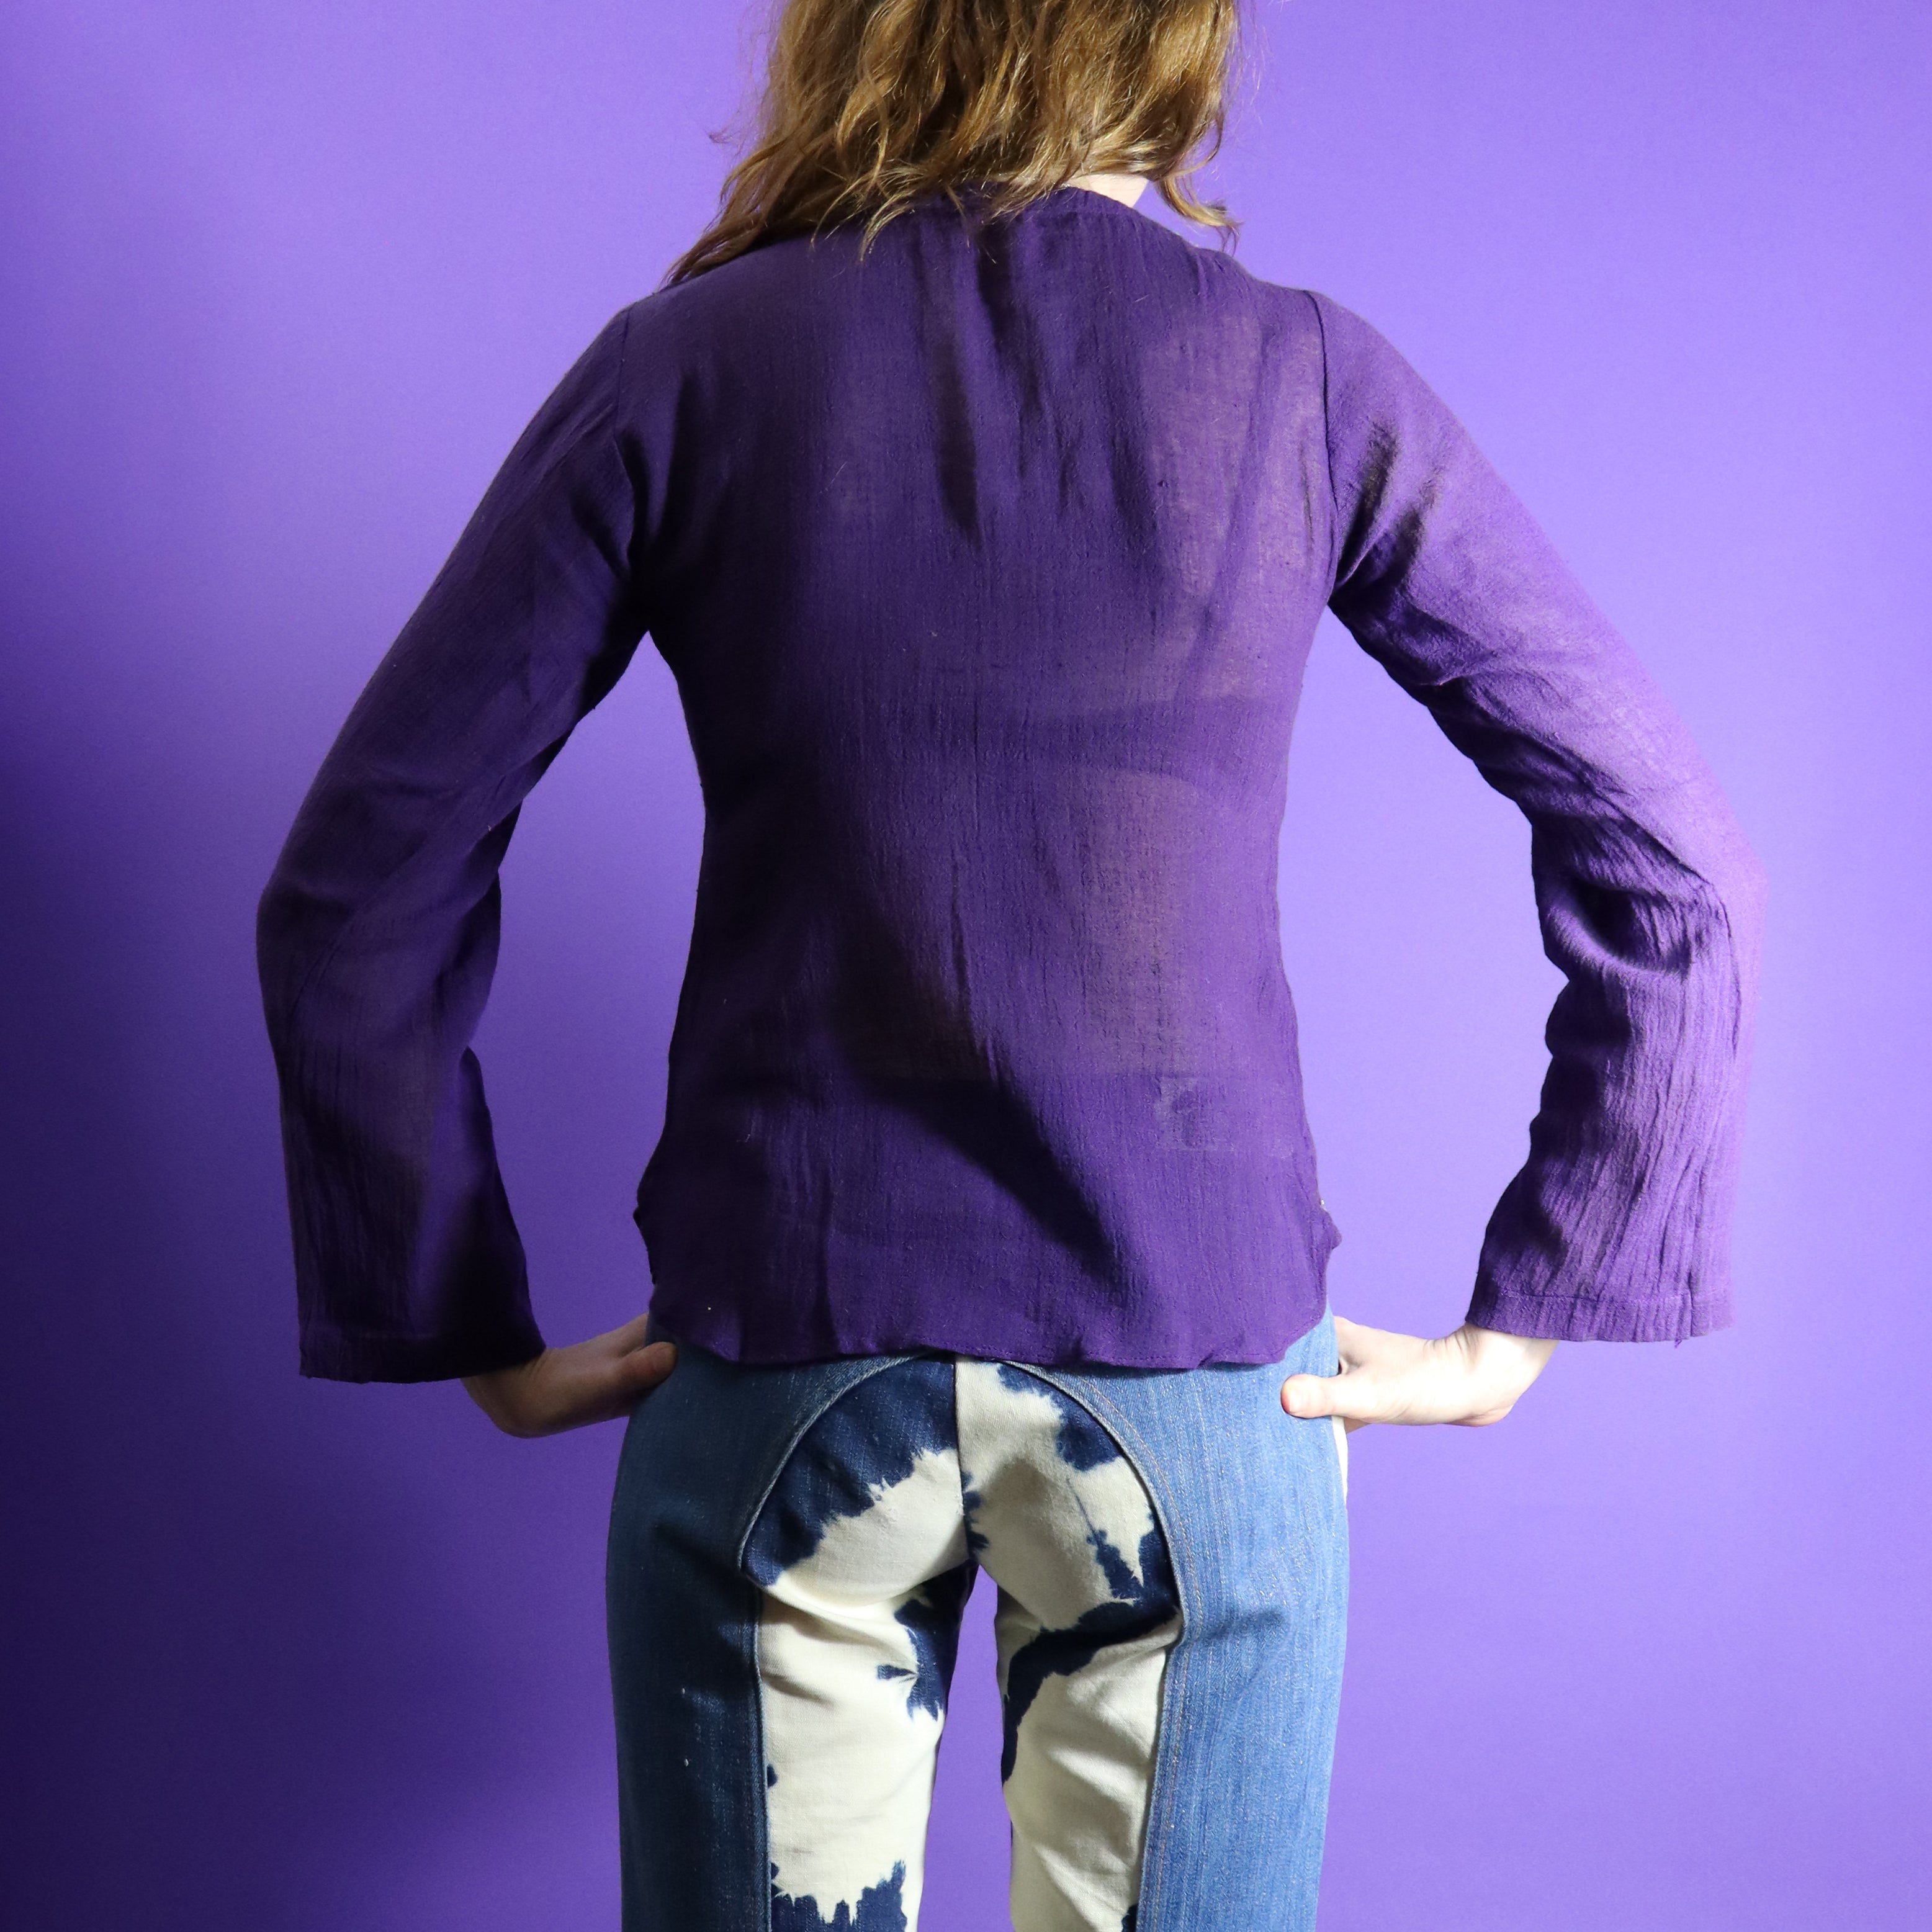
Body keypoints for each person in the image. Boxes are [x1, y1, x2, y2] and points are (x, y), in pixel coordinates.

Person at [256, 1, 1764, 1926]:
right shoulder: (1302, 376)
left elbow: (357, 883)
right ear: (1166, 39)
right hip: (1192, 1378)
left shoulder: (686, 366)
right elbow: (1676, 859)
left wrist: (455, 1317)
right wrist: (1535, 1301)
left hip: (786, 1358)